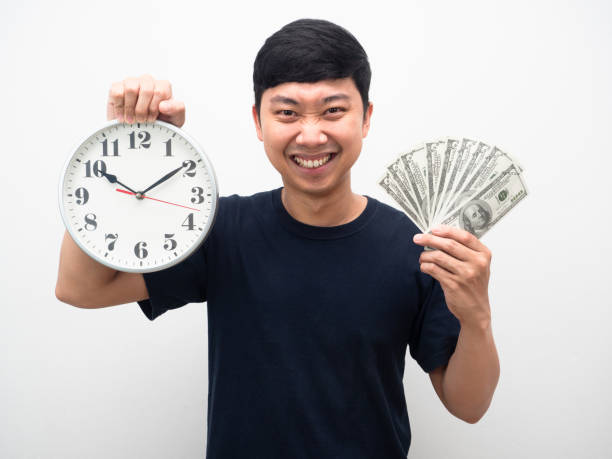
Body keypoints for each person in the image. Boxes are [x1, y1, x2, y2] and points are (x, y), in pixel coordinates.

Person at [56, 18, 500, 459]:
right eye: (287, 112)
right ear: (258, 121)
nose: (311, 134)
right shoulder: (220, 228)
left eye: (333, 110)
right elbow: (81, 288)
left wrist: (477, 316)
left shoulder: (413, 245)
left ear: (365, 118)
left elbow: (468, 404)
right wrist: (132, 143)